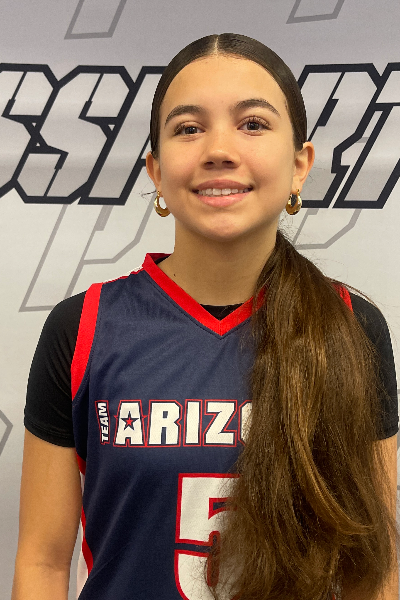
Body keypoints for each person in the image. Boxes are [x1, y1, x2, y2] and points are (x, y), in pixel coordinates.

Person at [12, 33, 399, 600]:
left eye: (253, 124)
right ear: (155, 170)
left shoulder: (351, 327)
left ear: (300, 165)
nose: (219, 149)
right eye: (188, 128)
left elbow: (373, 570)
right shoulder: (82, 329)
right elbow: (44, 563)